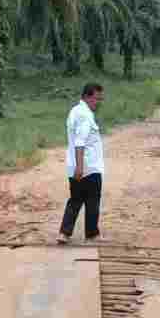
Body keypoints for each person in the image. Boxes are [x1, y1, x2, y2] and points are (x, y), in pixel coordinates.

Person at [59, 83, 105, 244]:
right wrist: (81, 167)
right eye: (97, 99)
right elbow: (80, 142)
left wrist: (77, 167)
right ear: (87, 96)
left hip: (75, 166)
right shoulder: (85, 115)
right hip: (88, 167)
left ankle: (64, 232)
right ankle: (92, 234)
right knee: (93, 200)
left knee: (75, 199)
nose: (98, 102)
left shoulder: (74, 111)